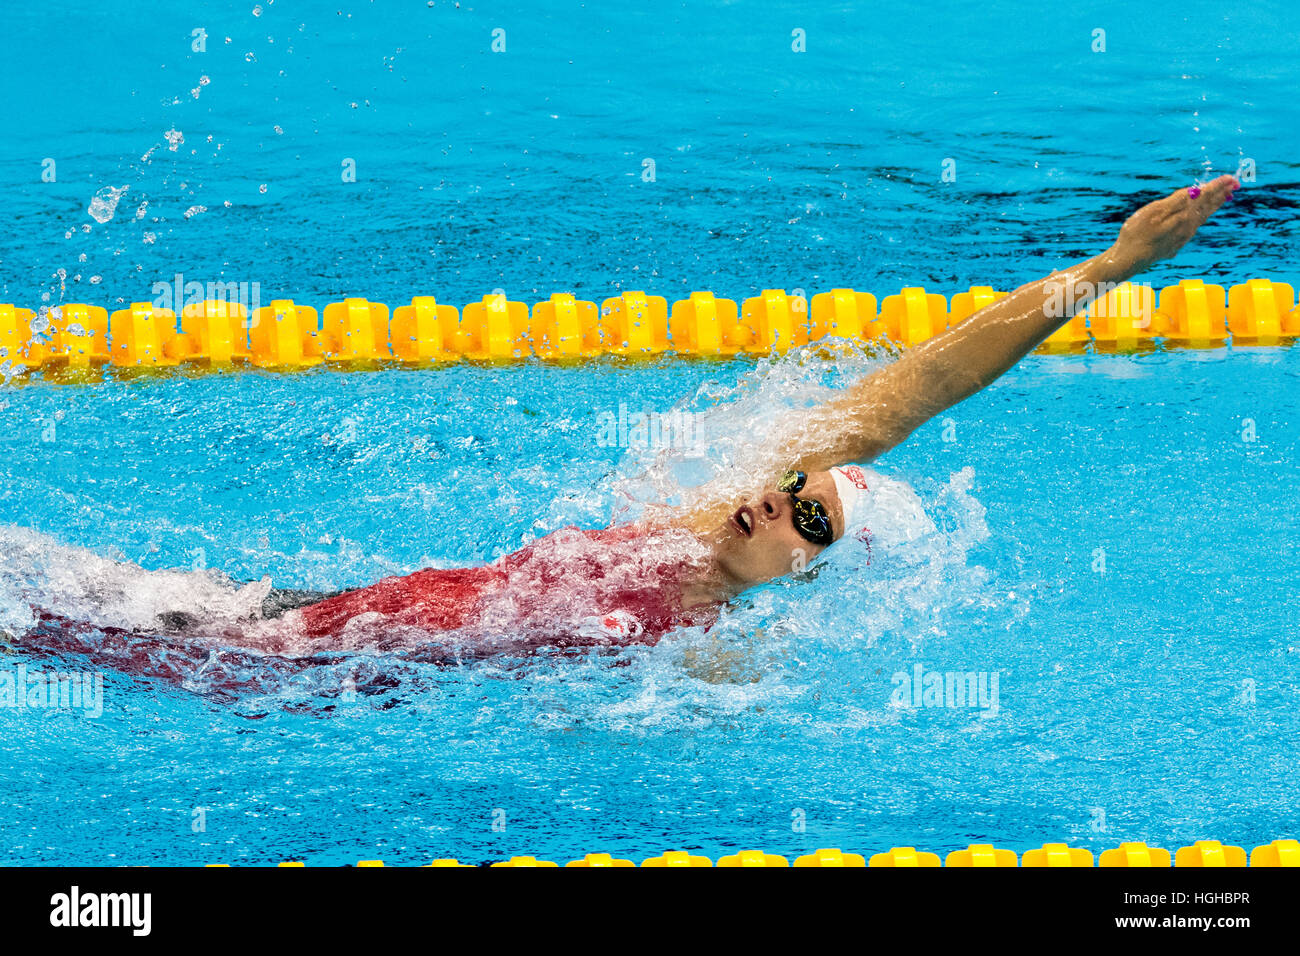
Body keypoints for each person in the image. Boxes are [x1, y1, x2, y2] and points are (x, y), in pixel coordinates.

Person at [235, 174, 1238, 656]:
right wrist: (1105, 270)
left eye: (811, 525)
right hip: (323, 617)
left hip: (349, 687)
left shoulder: (709, 654)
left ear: (817, 572)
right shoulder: (700, 513)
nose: (776, 503)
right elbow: (925, 383)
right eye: (799, 493)